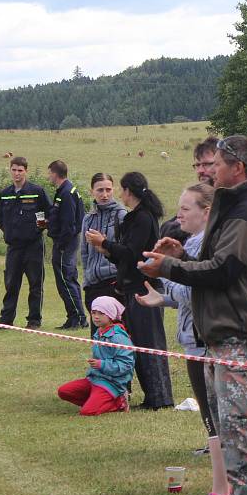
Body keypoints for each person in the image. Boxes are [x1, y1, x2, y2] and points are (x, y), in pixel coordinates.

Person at [140, 135, 247, 495]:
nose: (209, 170)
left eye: (216, 164)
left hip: (240, 334)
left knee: (240, 431)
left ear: (237, 167)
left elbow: (225, 271)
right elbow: (226, 267)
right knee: (230, 432)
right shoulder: (233, 207)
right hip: (222, 334)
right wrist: (184, 255)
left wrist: (169, 267)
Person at [135, 183, 231, 495]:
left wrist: (166, 270)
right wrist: (161, 296)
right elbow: (186, 295)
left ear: (207, 212)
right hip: (194, 340)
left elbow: (199, 292)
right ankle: (222, 487)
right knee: (210, 419)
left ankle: (222, 490)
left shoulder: (205, 246)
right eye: (178, 208)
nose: (179, 214)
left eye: (186, 209)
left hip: (205, 343)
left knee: (217, 420)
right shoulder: (191, 245)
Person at [85, 172, 174, 410]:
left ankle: (160, 398)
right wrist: (107, 251)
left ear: (128, 191)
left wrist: (105, 244)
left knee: (149, 343)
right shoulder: (133, 219)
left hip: (145, 288)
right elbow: (124, 255)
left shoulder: (143, 218)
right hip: (130, 287)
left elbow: (133, 252)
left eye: (120, 189)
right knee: (137, 344)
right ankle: (151, 396)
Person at [0, 156, 51, 330]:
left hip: (33, 246)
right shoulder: (5, 194)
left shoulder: (37, 191)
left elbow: (48, 213)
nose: (17, 173)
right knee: (11, 284)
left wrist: (39, 227)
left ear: (26, 171)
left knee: (35, 284)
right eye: (14, 170)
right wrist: (8, 231)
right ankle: (6, 319)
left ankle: (34, 321)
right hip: (14, 247)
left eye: (20, 170)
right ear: (10, 170)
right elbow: (0, 217)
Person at [57, 296, 133, 416]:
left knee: (88, 412)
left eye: (101, 313)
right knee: (64, 391)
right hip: (94, 379)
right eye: (93, 313)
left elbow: (126, 365)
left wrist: (101, 364)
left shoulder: (119, 338)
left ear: (111, 315)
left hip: (112, 383)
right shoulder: (98, 332)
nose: (96, 316)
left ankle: (119, 401)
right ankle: (95, 400)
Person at [81, 173, 126, 336]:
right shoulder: (88, 219)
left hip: (113, 281)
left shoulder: (121, 216)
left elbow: (125, 251)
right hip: (93, 284)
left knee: (116, 334)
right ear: (92, 191)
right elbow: (84, 253)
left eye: (108, 189)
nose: (105, 194)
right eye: (100, 190)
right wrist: (86, 281)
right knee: (98, 335)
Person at [47, 160, 87, 329]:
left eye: (49, 173)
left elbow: (69, 223)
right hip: (66, 242)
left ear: (55, 173)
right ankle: (75, 317)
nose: (48, 176)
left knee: (65, 280)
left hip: (66, 244)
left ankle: (77, 318)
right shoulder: (64, 191)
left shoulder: (66, 193)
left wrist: (61, 244)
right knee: (69, 278)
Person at [160, 136, 218, 243]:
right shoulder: (198, 195)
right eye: (197, 165)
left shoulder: (228, 200)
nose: (200, 170)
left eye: (207, 164)